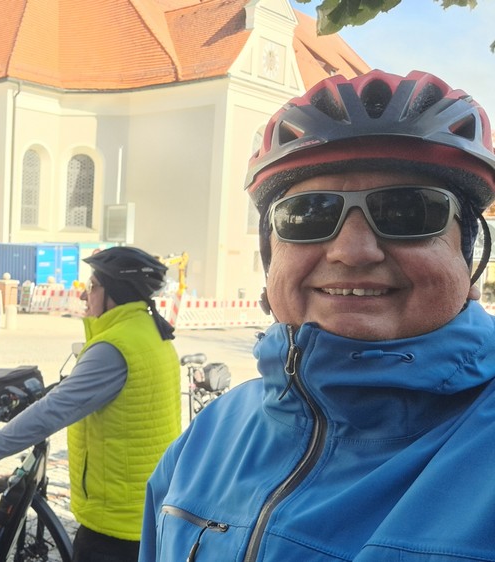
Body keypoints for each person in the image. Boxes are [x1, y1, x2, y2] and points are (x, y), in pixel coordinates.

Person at [140, 70, 495, 561]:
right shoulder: (206, 437)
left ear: (470, 257)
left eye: (409, 212)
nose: (352, 251)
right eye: (309, 213)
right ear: (271, 256)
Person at [0, 246, 181, 561]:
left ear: (114, 293)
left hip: (116, 522)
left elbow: (53, 412)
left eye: (93, 286)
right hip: (147, 508)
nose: (85, 295)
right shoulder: (150, 334)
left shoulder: (114, 347)